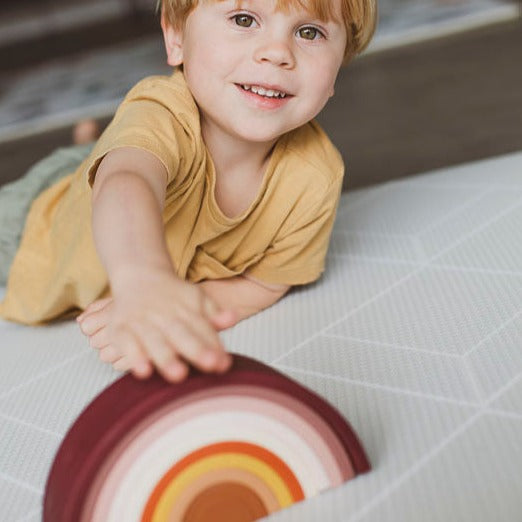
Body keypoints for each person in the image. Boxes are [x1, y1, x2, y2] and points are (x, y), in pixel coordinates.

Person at [0, 0, 377, 383]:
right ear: (176, 37)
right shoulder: (162, 114)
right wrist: (143, 281)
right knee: (114, 157)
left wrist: (184, 309)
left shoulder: (315, 178)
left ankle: (92, 143)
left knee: (118, 148)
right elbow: (127, 182)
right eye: (244, 20)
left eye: (309, 32)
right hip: (33, 225)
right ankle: (90, 148)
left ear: (339, 66)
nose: (277, 53)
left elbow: (265, 283)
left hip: (134, 156)